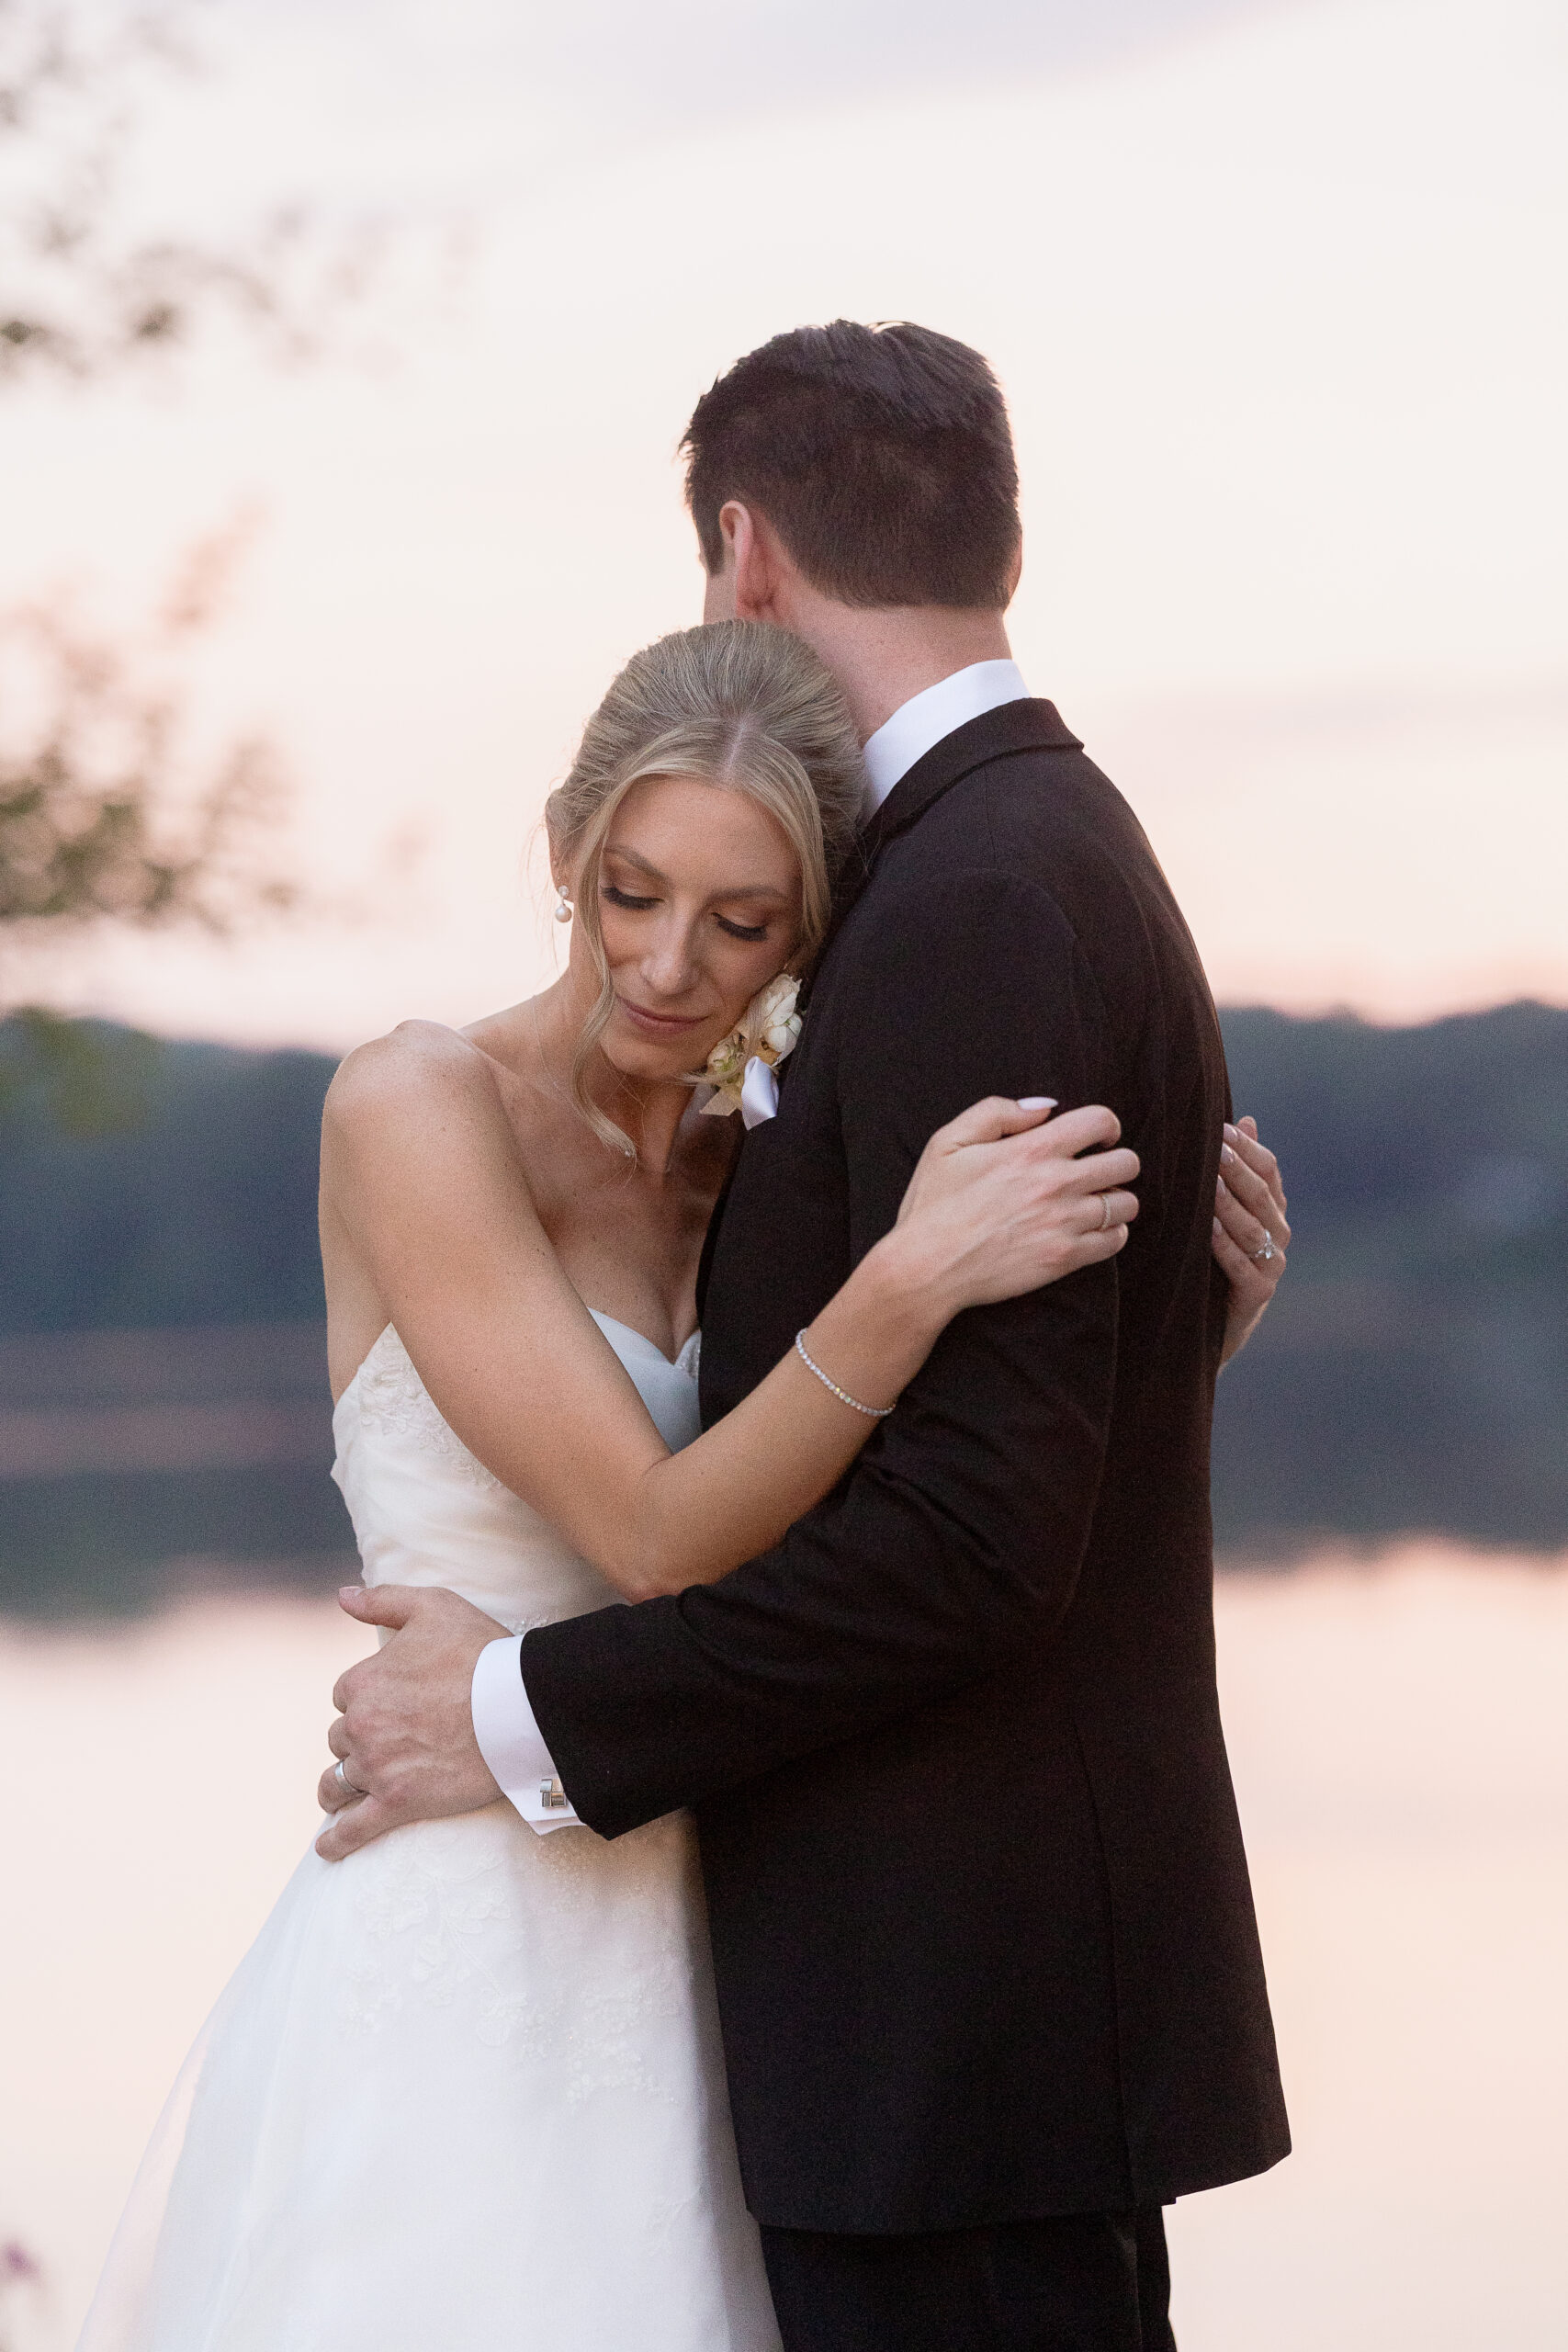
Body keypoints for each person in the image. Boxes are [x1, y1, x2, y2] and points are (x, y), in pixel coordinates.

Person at [77, 613, 1279, 2352]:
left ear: (809, 930)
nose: (668, 967)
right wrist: (906, 1280)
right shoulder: (417, 1105)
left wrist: (1182, 1334)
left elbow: (870, 1512)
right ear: (563, 848)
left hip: (720, 1939)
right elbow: (650, 1530)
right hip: (461, 1921)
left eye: (743, 923)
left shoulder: (754, 1158)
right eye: (631, 892)